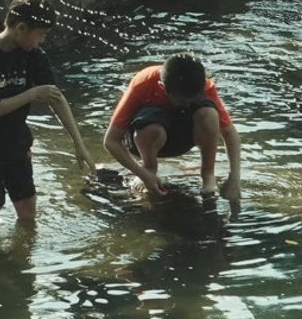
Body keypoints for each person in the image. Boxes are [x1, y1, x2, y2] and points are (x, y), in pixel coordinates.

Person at [0, 0, 95, 232]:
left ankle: (24, 259)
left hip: (15, 142)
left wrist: (78, 142)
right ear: (21, 28)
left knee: (28, 206)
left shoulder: (33, 55)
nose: (42, 41)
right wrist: (31, 94)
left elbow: (56, 98)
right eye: (40, 34)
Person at [102, 54, 241, 206]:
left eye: (193, 101)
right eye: (182, 101)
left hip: (180, 137)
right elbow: (111, 141)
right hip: (145, 136)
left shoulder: (203, 87)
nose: (187, 104)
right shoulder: (143, 83)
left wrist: (234, 178)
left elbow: (229, 132)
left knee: (209, 114)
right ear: (162, 87)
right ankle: (149, 168)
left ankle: (208, 176)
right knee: (151, 129)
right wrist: (143, 174)